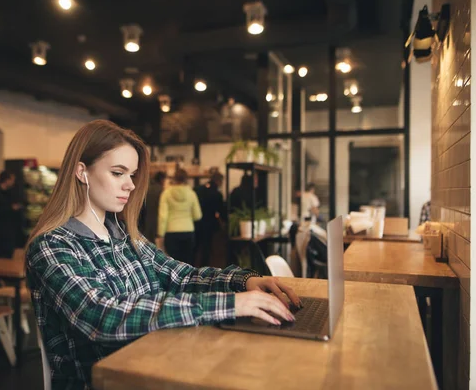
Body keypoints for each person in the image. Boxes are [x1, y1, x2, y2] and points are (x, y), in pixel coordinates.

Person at [25, 120, 300, 390]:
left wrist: (244, 282)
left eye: (132, 175)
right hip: (109, 380)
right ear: (81, 172)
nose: (130, 185)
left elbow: (182, 276)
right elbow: (102, 316)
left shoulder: (123, 235)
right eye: (118, 173)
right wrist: (231, 304)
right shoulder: (52, 246)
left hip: (157, 363)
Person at [157, 168, 201, 265]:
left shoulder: (166, 193)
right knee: (188, 264)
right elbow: (197, 215)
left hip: (171, 232)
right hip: (188, 231)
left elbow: (163, 216)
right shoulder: (192, 193)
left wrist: (160, 234)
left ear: (174, 178)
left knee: (173, 265)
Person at [0, 170, 22, 258]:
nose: (13, 182)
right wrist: (10, 208)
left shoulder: (11, 191)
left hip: (10, 226)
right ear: (7, 180)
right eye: (12, 179)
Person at [194, 171, 225, 267]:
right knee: (207, 248)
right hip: (210, 224)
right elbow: (220, 210)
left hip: (197, 222)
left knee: (196, 247)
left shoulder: (198, 189)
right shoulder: (217, 194)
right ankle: (204, 268)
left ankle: (192, 266)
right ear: (219, 181)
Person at [142, 171, 166, 242]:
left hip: (146, 219)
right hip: (157, 219)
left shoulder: (147, 188)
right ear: (162, 179)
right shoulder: (161, 190)